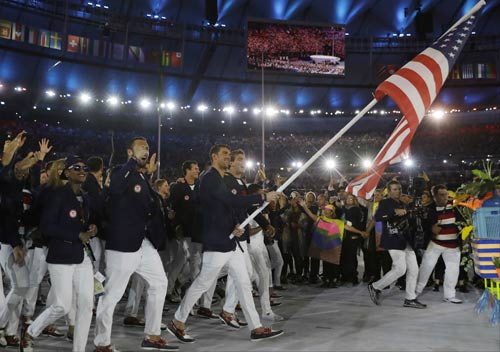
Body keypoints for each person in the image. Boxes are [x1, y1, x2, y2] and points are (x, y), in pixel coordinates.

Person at [167, 144, 283, 342]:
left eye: (230, 155)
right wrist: (262, 196)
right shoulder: (210, 177)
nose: (228, 158)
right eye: (225, 154)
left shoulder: (220, 178)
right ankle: (178, 321)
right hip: (217, 241)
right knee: (203, 282)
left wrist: (235, 224)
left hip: (230, 240)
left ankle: (256, 327)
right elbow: (228, 200)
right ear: (214, 157)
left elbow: (223, 208)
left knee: (244, 283)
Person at [93, 137, 178, 351]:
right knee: (112, 294)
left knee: (159, 283)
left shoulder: (140, 176)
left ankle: (152, 335)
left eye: (148, 148)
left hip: (143, 242)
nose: (146, 151)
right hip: (122, 244)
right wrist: (134, 163)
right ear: (130, 151)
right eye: (142, 148)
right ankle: (102, 343)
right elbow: (117, 188)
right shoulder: (120, 170)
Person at [22, 156, 97, 352]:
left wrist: (91, 228)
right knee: (62, 306)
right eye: (77, 167)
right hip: (61, 256)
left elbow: (81, 223)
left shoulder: (86, 197)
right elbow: (47, 226)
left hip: (82, 257)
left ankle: (78, 349)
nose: (82, 170)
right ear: (66, 172)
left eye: (85, 167)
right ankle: (30, 332)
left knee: (87, 305)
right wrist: (77, 234)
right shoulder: (57, 195)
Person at [367, 180, 426, 309]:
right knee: (400, 269)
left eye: (399, 189)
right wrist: (394, 212)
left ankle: (410, 298)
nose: (398, 191)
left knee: (414, 269)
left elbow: (407, 219)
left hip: (406, 240)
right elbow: (377, 217)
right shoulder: (384, 202)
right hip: (393, 239)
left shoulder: (403, 203)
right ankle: (376, 286)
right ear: (388, 191)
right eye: (394, 189)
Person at [415, 185, 463, 304]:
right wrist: (431, 228)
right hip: (436, 244)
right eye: (441, 195)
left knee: (453, 270)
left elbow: (463, 221)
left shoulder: (455, 206)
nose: (445, 197)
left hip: (453, 245)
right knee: (426, 268)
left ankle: (449, 295)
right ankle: (414, 292)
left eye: (446, 194)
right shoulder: (430, 209)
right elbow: (424, 224)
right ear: (435, 197)